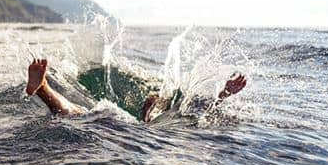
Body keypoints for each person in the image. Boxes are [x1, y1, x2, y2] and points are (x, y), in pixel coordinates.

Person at [26, 58, 247, 122]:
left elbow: (197, 106)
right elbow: (199, 108)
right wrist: (223, 95)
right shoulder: (178, 110)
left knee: (78, 114)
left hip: (121, 123)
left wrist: (223, 94)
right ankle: (43, 88)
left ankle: (43, 88)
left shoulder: (176, 110)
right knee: (78, 114)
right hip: (133, 131)